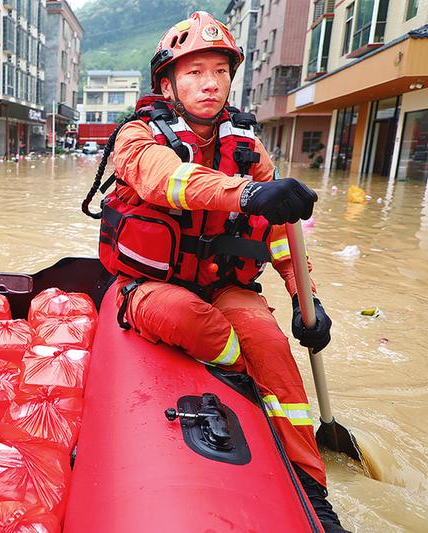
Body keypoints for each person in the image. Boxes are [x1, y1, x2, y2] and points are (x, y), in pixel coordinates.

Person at [85, 12, 347, 533]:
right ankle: (242, 386)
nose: (210, 83)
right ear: (168, 83)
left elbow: (280, 241)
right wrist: (247, 193)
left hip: (225, 282)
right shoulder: (136, 138)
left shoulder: (249, 150)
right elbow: (167, 181)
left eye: (220, 71)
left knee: (271, 343)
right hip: (152, 286)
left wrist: (306, 303)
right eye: (194, 71)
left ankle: (312, 489)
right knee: (193, 319)